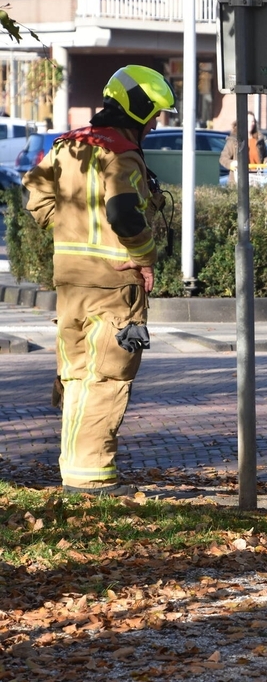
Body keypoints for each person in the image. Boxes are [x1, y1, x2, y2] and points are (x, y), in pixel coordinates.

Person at [23, 64, 176, 496]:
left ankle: (74, 470)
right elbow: (123, 213)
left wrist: (64, 227)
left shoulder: (67, 145)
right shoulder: (121, 153)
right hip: (114, 287)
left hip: (70, 283)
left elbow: (31, 192)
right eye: (153, 115)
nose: (153, 124)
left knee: (77, 376)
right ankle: (89, 478)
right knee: (106, 378)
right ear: (140, 110)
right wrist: (144, 257)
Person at [220, 116, 267, 184]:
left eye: (253, 121)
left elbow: (265, 156)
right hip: (238, 181)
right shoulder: (234, 140)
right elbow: (223, 158)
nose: (251, 124)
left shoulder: (259, 139)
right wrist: (231, 163)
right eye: (248, 121)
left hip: (257, 180)